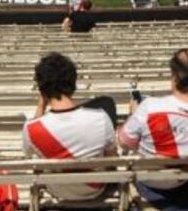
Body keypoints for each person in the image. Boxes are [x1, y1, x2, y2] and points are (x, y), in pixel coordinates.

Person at [118, 49, 188, 211]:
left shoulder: (149, 107)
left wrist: (133, 115)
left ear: (175, 78)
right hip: (182, 183)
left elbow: (123, 142)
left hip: (148, 182)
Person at [22, 53, 117, 202]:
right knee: (106, 102)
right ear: (73, 83)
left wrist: (41, 106)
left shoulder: (31, 128)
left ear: (42, 90)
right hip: (95, 188)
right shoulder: (101, 118)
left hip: (57, 189)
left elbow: (29, 153)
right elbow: (112, 159)